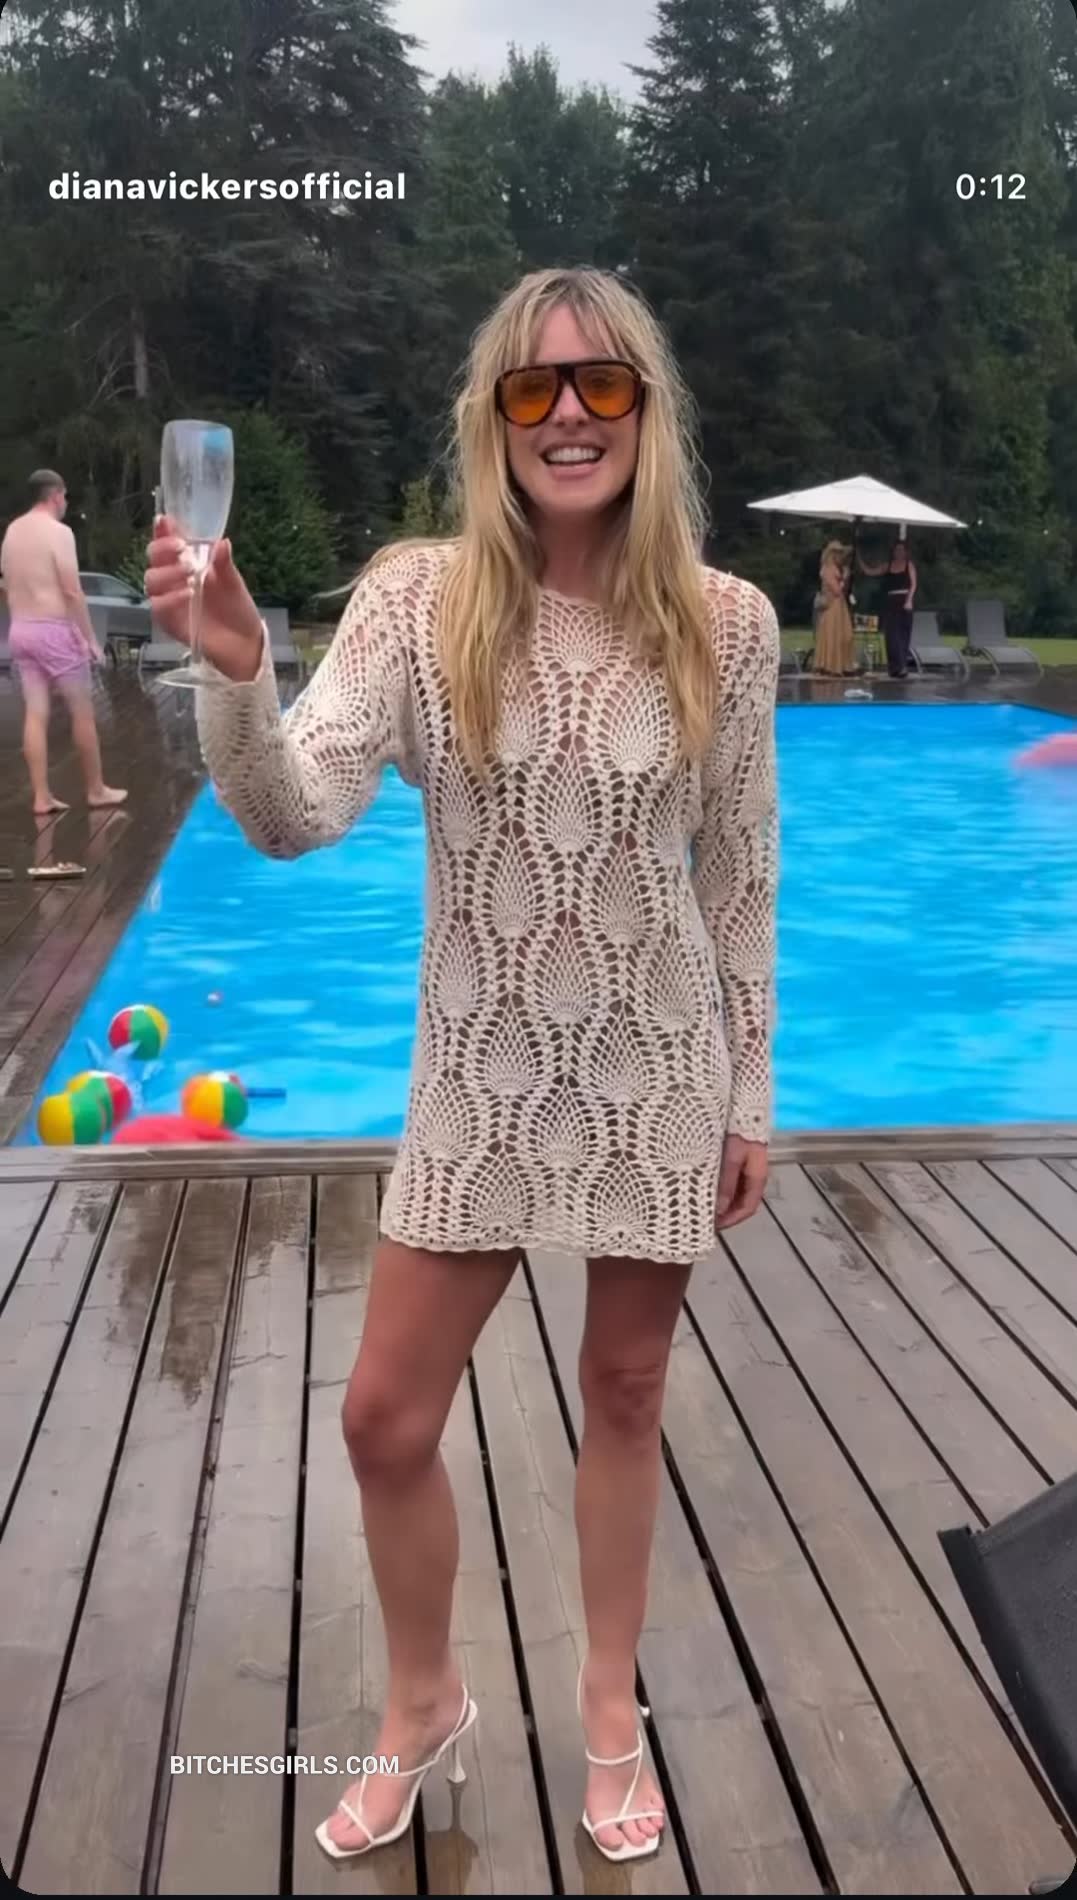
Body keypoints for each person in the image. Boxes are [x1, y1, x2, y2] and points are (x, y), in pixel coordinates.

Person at [145, 266, 779, 1865]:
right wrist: (236, 668)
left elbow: (741, 875)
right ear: (493, 417)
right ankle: (422, 1704)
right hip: (477, 1084)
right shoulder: (418, 604)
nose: (567, 413)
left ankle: (610, 1711)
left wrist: (750, 1092)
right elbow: (290, 814)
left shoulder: (728, 624)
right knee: (381, 1418)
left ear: (645, 409)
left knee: (624, 1393)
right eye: (531, 387)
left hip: (653, 1078)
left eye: (601, 383)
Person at [0, 470, 126, 815]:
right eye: (65, 496)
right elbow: (72, 591)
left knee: (36, 713)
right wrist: (89, 639)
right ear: (56, 495)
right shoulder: (59, 532)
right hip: (54, 630)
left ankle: (41, 796)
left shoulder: (12, 532)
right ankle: (96, 790)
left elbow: (6, 585)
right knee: (82, 711)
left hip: (21, 630)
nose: (66, 502)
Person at [858, 539, 917, 678]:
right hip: (891, 602)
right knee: (891, 635)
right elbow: (870, 571)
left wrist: (909, 600)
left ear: (906, 552)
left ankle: (902, 667)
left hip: (905, 600)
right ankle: (894, 668)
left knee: (903, 635)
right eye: (897, 550)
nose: (899, 553)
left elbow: (913, 584)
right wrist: (859, 558)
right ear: (893, 551)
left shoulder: (909, 565)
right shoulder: (888, 565)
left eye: (901, 550)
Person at [812, 540, 857, 676]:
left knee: (844, 635)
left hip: (839, 604)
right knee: (833, 635)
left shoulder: (835, 568)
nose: (840, 556)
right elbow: (836, 590)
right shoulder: (827, 569)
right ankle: (831, 666)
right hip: (833, 605)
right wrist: (844, 579)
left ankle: (843, 664)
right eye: (837, 553)